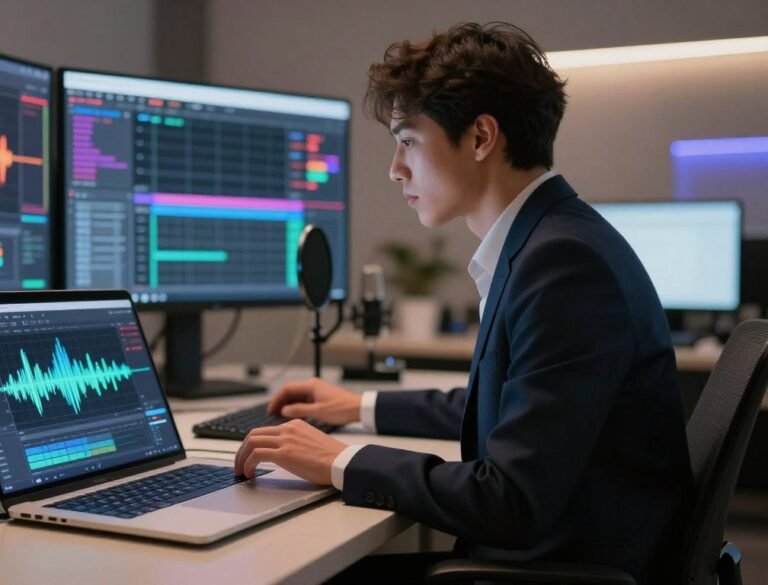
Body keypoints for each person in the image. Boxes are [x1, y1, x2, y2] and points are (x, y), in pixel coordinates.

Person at [233, 22, 692, 583]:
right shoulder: (553, 240)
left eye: (407, 141)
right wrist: (357, 407)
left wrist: (337, 460)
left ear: (480, 138)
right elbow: (507, 401)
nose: (395, 169)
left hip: (558, 566)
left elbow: (511, 500)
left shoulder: (564, 266)